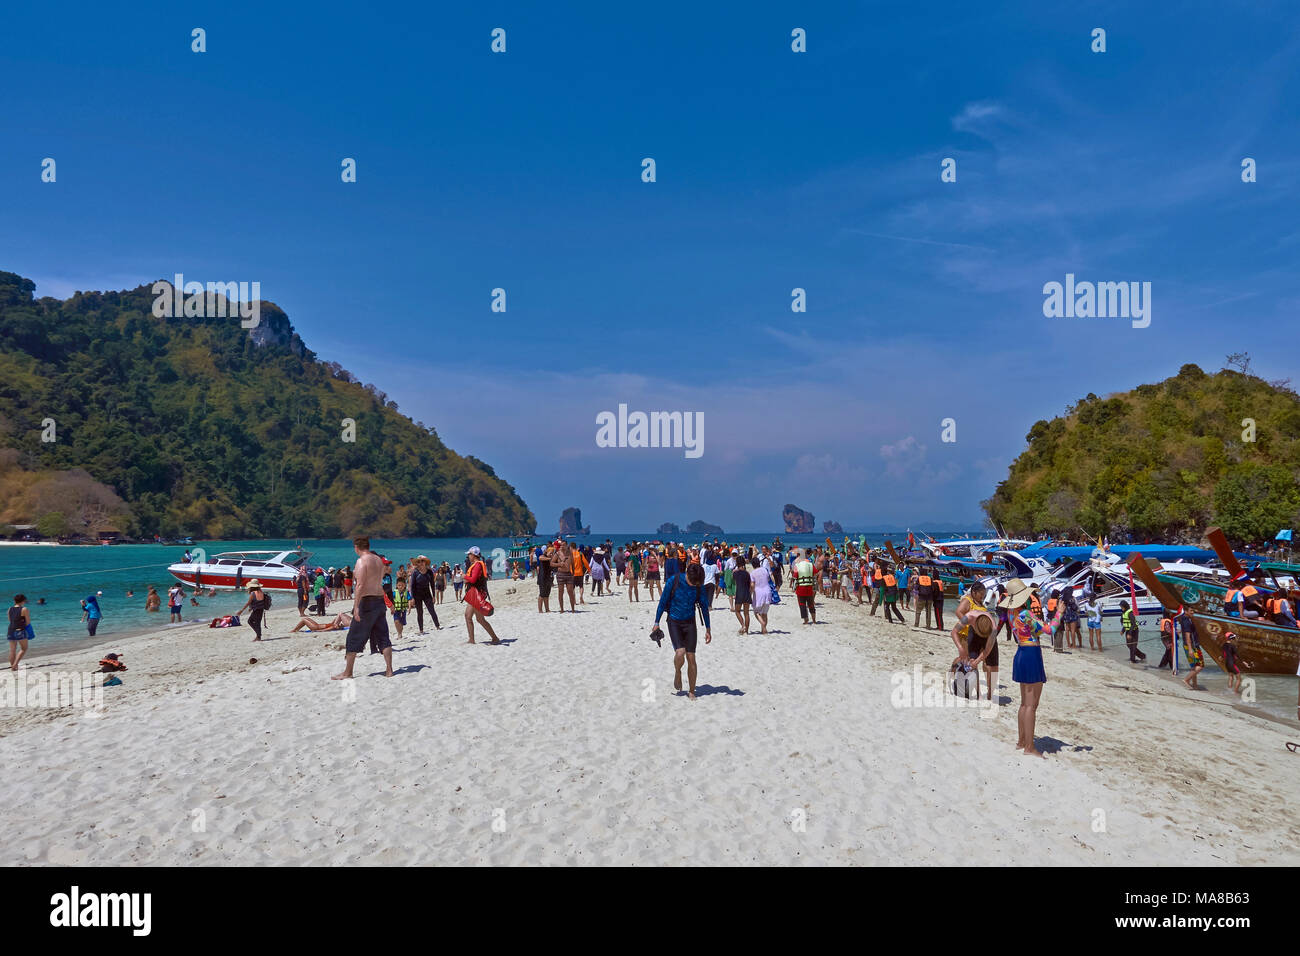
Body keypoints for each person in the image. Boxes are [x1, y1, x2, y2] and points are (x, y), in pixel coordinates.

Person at [1001, 580, 1062, 758]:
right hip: (1031, 655)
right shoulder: (1026, 613)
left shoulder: (1012, 612)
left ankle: (1022, 741)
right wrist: (1059, 612)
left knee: (1023, 704)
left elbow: (1031, 632)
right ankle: (1029, 747)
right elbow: (1050, 630)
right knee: (1031, 706)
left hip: (1021, 652)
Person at [332, 536, 394, 679]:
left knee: (353, 636)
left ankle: (348, 672)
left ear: (356, 547)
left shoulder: (361, 561)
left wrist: (356, 607)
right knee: (383, 636)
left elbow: (359, 585)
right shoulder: (378, 560)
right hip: (379, 600)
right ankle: (389, 670)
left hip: (367, 602)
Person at [652, 562, 713, 701]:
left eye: (697, 583)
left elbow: (704, 607)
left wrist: (708, 629)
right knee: (680, 652)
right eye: (692, 582)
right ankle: (678, 671)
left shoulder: (698, 585)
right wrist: (656, 622)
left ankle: (692, 691)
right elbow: (662, 602)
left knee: (692, 657)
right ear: (688, 575)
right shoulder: (674, 581)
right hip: (674, 621)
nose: (694, 585)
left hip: (690, 622)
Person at [953, 584, 998, 700]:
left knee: (981, 663)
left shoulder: (992, 626)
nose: (982, 597)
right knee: (965, 659)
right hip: (968, 633)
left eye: (984, 595)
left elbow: (987, 650)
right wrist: (968, 625)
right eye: (981, 594)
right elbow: (958, 612)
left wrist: (978, 660)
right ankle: (955, 675)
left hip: (983, 633)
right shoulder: (968, 602)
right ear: (974, 592)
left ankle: (986, 693)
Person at [462, 546, 501, 644]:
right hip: (476, 593)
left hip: (477, 594)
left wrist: (464, 576)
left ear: (473, 555)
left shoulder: (477, 565)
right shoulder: (477, 564)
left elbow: (473, 579)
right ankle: (493, 638)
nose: (468, 556)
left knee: (469, 617)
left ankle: (472, 640)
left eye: (469, 554)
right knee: (478, 618)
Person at [409, 556, 441, 634]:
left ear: (425, 562)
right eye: (419, 561)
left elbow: (432, 585)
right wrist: (412, 598)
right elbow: (412, 586)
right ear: (417, 563)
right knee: (420, 612)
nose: (421, 563)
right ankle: (421, 630)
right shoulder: (415, 572)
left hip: (427, 594)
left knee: (432, 610)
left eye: (422, 561)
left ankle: (437, 626)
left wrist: (434, 596)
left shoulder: (429, 572)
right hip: (417, 595)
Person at [749, 556, 772, 633]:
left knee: (756, 612)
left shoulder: (752, 573)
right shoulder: (765, 570)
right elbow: (768, 579)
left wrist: (750, 593)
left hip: (759, 593)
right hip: (768, 592)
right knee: (765, 613)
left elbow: (752, 585)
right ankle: (763, 630)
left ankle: (763, 625)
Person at [7, 594, 31, 671]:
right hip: (20, 630)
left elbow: (10, 620)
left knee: (12, 650)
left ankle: (13, 666)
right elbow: (27, 622)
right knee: (24, 648)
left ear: (15, 601)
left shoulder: (10, 609)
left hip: (10, 630)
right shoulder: (24, 609)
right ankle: (15, 665)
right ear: (23, 601)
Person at [732, 557, 752, 634]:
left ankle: (743, 625)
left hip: (739, 593)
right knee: (746, 613)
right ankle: (746, 631)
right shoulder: (747, 573)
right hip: (747, 593)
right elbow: (749, 584)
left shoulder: (735, 573)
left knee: (737, 611)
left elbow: (735, 582)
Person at [391, 571, 411, 640]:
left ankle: (400, 633)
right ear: (396, 585)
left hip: (403, 610)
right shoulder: (394, 592)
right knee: (396, 621)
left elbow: (409, 600)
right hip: (396, 609)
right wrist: (391, 608)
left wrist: (410, 607)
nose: (400, 587)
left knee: (402, 623)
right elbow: (391, 600)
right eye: (399, 585)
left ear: (405, 585)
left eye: (402, 585)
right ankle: (399, 634)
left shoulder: (406, 592)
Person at [536, 542, 554, 613]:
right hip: (542, 578)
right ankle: (540, 610)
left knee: (547, 594)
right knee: (542, 594)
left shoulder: (550, 558)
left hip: (548, 578)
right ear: (546, 551)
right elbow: (540, 558)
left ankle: (547, 609)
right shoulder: (542, 556)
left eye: (552, 553)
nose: (551, 553)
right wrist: (549, 558)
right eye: (550, 552)